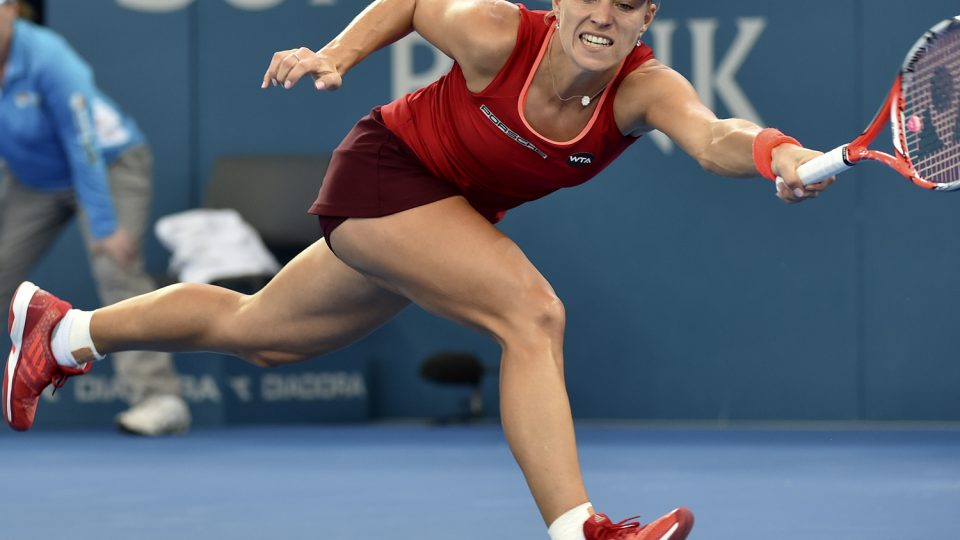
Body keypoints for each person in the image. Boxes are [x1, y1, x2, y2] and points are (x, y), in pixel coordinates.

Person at [3, 0, 834, 537]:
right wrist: (337, 54)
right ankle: (579, 528)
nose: (602, 16)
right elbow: (406, 1)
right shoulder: (497, 32)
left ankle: (65, 332)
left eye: (625, 5)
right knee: (532, 315)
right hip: (387, 173)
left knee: (261, 336)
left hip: (445, 215)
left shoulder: (644, 90)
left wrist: (782, 157)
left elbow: (715, 135)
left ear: (643, 16)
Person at [0, 0, 190, 436]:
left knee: (115, 265)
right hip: (35, 178)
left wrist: (104, 225)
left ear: (11, 12)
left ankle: (160, 398)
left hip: (109, 161)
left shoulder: (47, 56)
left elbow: (83, 142)